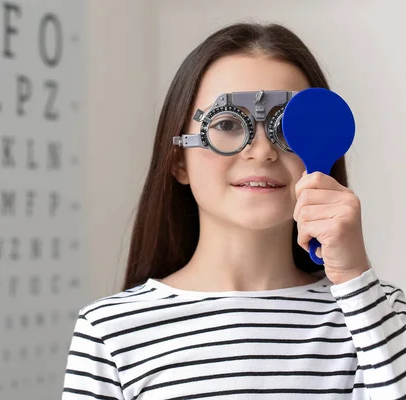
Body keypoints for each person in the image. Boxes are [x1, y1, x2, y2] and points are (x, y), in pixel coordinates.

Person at [62, 22, 406, 399]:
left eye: (286, 125)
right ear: (178, 160)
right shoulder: (111, 331)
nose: (261, 151)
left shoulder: (381, 313)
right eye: (226, 124)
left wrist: (354, 278)